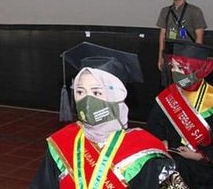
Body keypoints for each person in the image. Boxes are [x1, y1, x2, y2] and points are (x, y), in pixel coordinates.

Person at [31, 42, 180, 188]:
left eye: (96, 92)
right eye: (80, 92)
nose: (87, 101)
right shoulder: (62, 143)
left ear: (116, 95)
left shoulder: (147, 153)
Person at [147, 40, 213, 188]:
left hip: (203, 165)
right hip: (169, 158)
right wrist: (162, 145)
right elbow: (154, 130)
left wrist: (200, 155)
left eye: (181, 68)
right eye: (173, 66)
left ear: (197, 69)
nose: (175, 73)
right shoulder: (168, 97)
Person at [157, 0, 206, 77]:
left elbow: (199, 37)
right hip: (169, 54)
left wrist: (194, 60)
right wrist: (160, 57)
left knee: (185, 86)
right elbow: (162, 35)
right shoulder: (165, 11)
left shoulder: (195, 11)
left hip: (187, 55)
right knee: (169, 87)